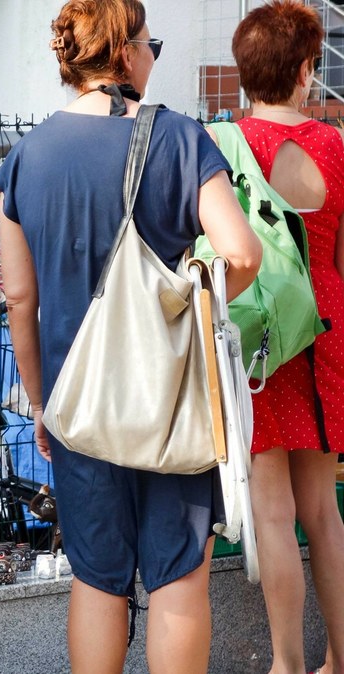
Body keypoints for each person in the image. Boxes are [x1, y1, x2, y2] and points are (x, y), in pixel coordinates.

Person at [0, 1, 262, 672]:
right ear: (124, 53)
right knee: (176, 577)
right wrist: (181, 298)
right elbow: (243, 253)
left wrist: (40, 402)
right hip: (170, 399)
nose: (153, 56)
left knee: (97, 576)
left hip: (76, 403)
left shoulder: (26, 157)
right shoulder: (177, 139)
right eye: (152, 44)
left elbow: (19, 297)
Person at [229, 4, 344, 673]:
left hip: (259, 336)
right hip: (326, 323)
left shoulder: (220, 148)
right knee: (323, 512)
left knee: (272, 513)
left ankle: (286, 665)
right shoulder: (336, 147)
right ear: (305, 71)